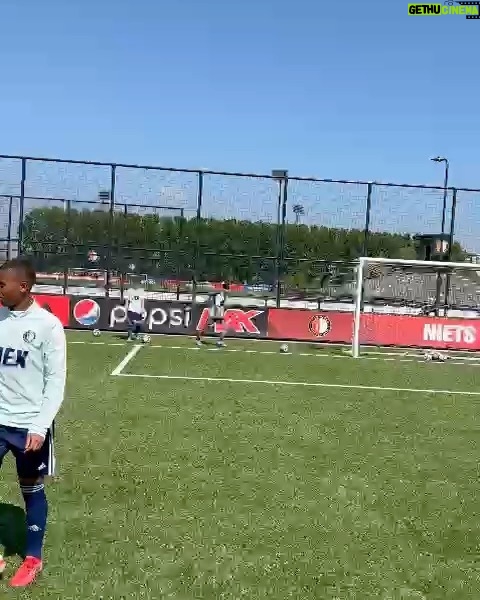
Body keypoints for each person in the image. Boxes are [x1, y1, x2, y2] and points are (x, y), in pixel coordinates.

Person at [0, 257, 66, 587]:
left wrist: (40, 426)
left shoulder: (47, 325)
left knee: (31, 489)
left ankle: (32, 557)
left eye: (2, 285)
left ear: (22, 287)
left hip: (29, 427)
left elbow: (56, 381)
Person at [195, 281, 230, 347]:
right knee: (204, 327)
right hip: (213, 313)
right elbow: (217, 306)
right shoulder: (219, 295)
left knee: (225, 327)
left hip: (217, 313)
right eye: (227, 287)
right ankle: (198, 339)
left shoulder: (223, 295)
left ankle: (220, 341)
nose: (229, 290)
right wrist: (216, 318)